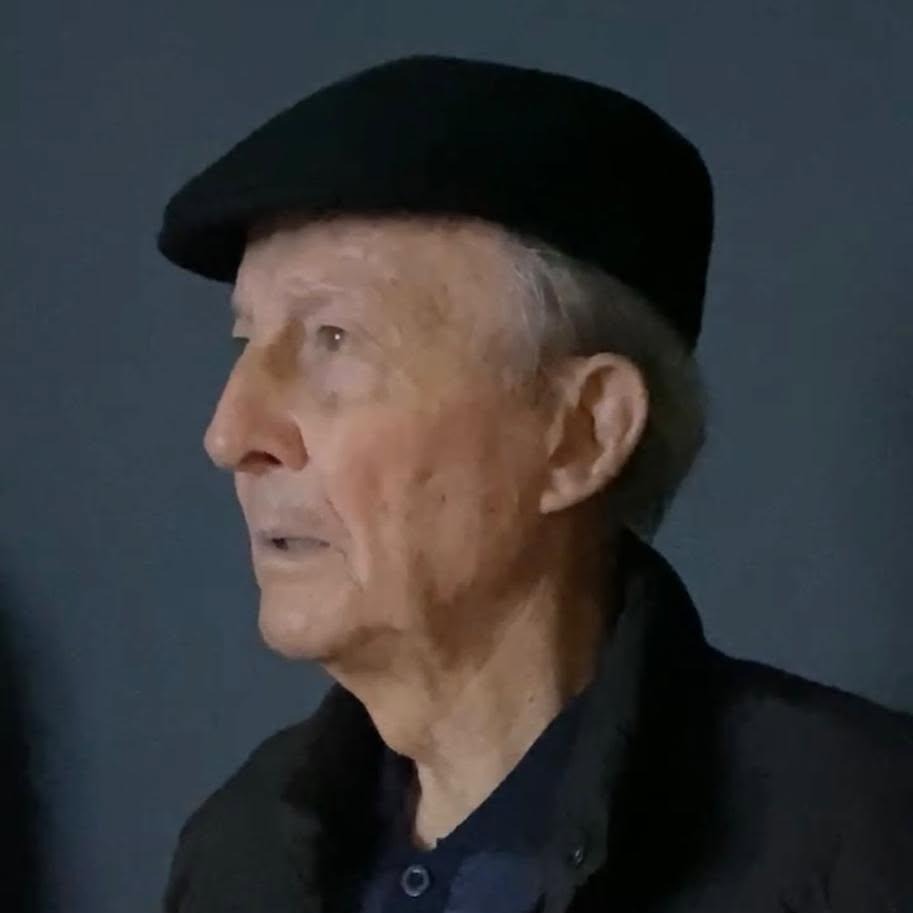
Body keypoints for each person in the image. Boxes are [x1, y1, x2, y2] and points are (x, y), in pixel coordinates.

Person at [156, 55, 913, 913]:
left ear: (581, 433)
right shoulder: (239, 853)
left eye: (334, 338)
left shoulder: (862, 840)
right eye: (245, 343)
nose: (230, 434)